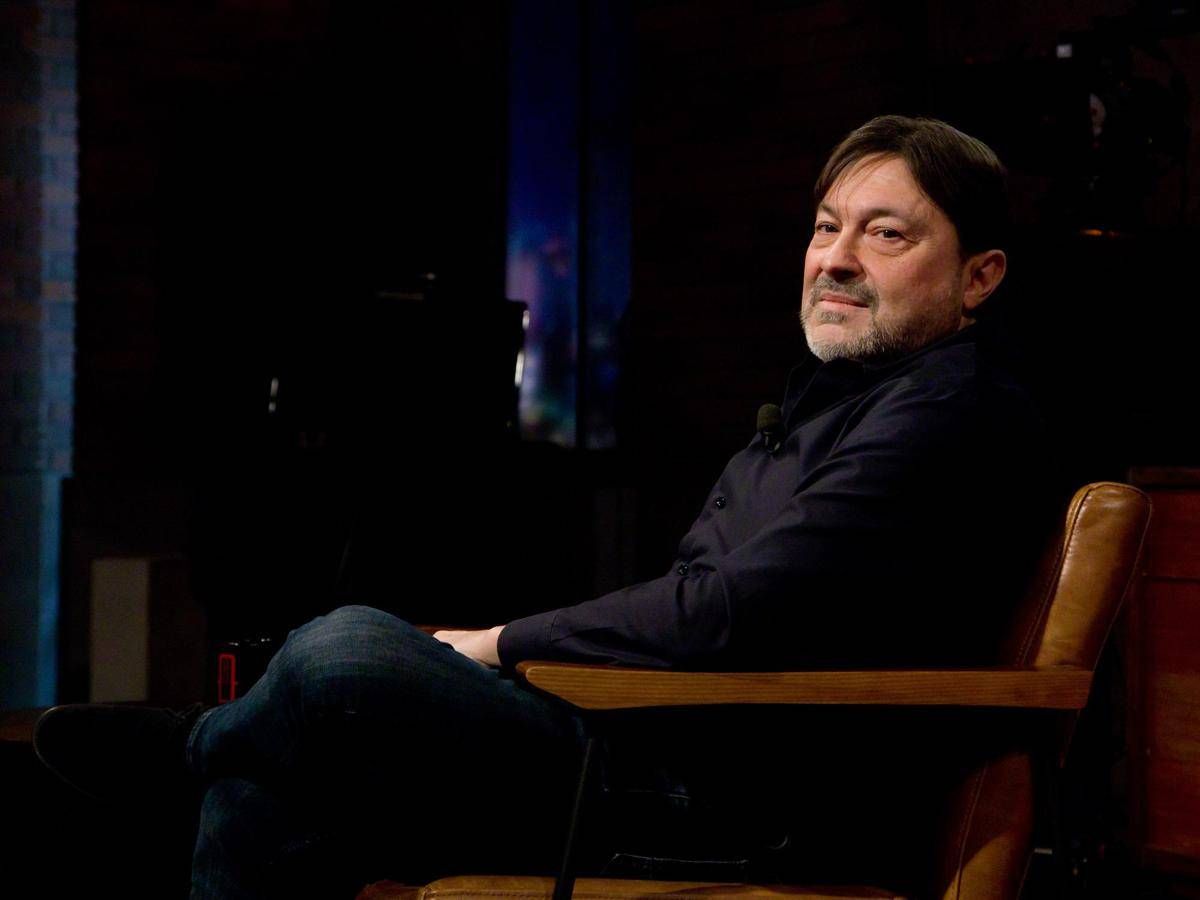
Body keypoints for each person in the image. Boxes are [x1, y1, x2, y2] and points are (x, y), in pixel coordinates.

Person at [34, 115, 1057, 898]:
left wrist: (497, 646)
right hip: (658, 744)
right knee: (264, 791)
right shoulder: (838, 404)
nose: (835, 256)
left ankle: (189, 746)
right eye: (827, 226)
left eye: (885, 234)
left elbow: (731, 609)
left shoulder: (947, 412)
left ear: (980, 277)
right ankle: (214, 755)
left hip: (737, 800)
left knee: (346, 653)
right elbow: (703, 599)